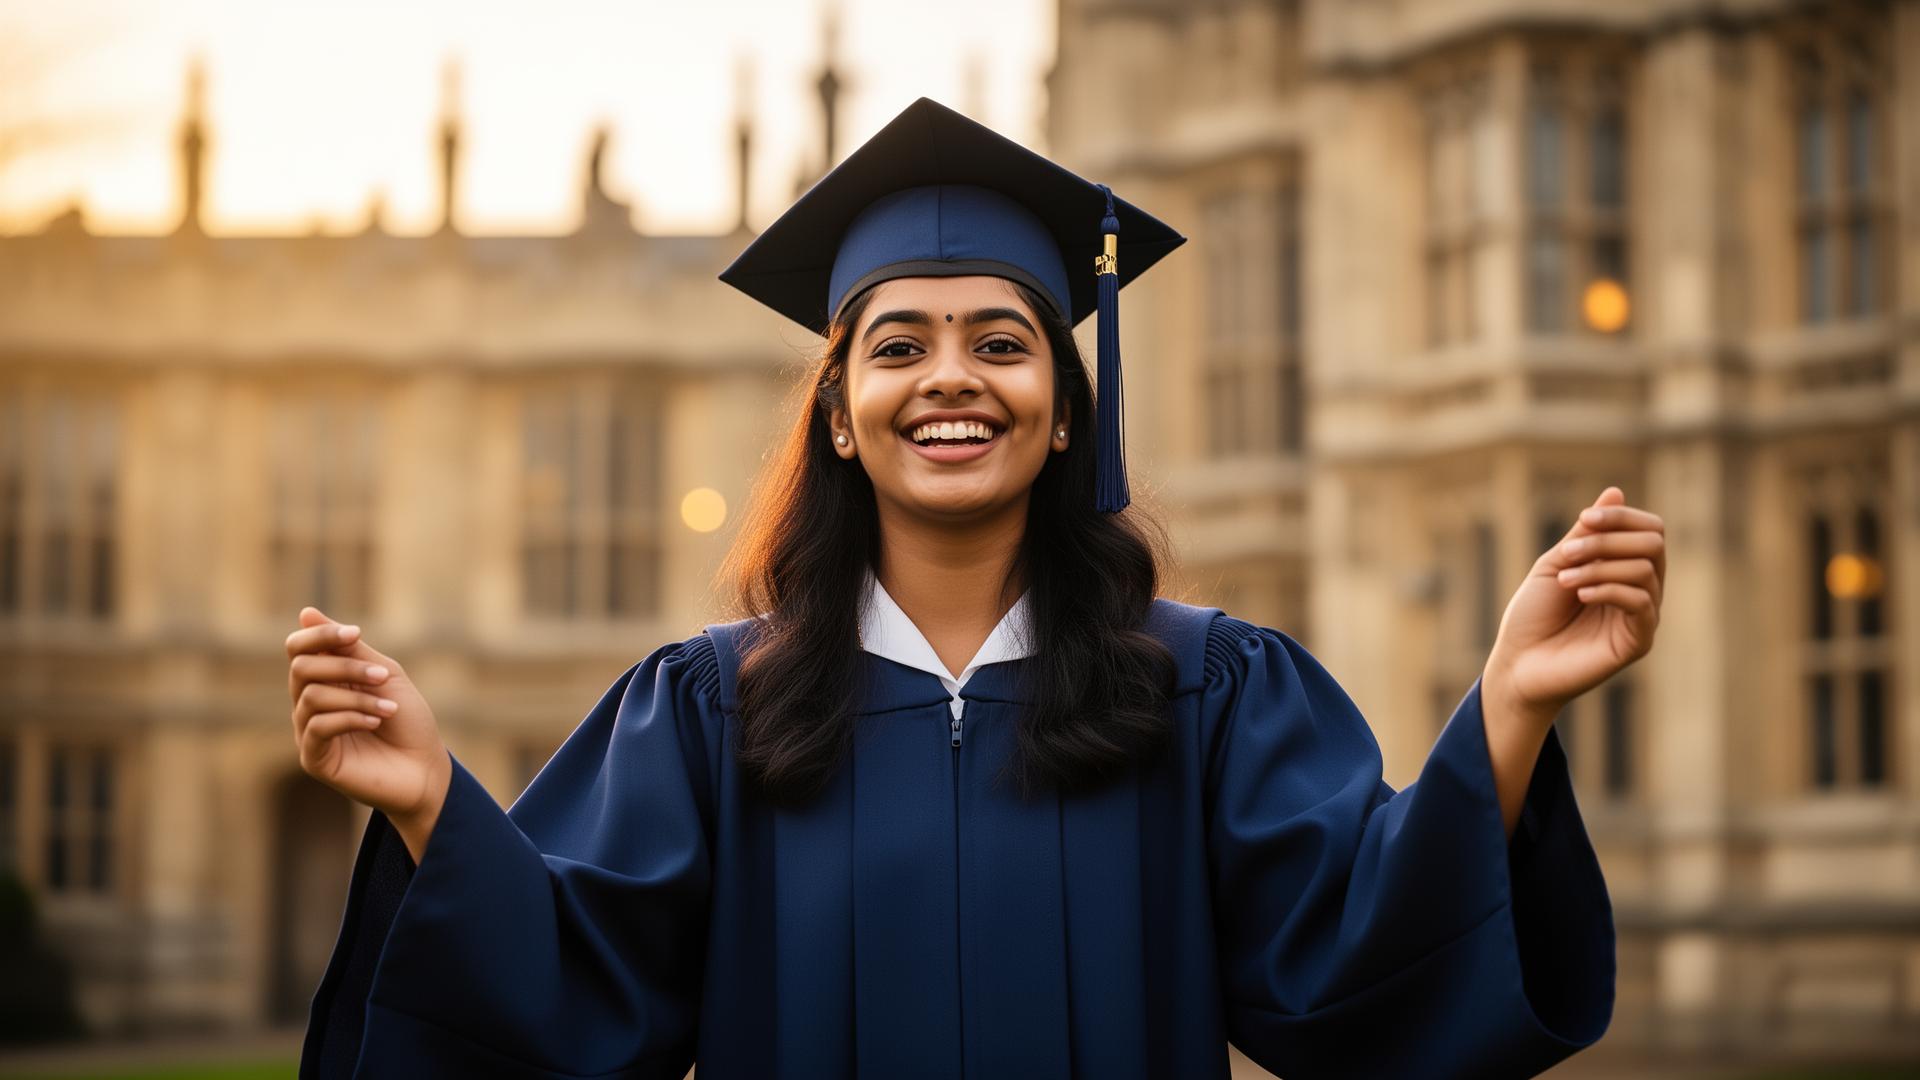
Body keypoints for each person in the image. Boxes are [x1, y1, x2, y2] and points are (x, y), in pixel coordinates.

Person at [289, 97, 1660, 1079]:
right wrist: (430, 806)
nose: (950, 376)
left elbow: (1358, 967)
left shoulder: (1204, 692)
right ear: (840, 413)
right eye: (898, 347)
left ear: (1063, 406)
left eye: (1001, 341)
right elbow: (579, 991)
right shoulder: (714, 711)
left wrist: (1508, 712)